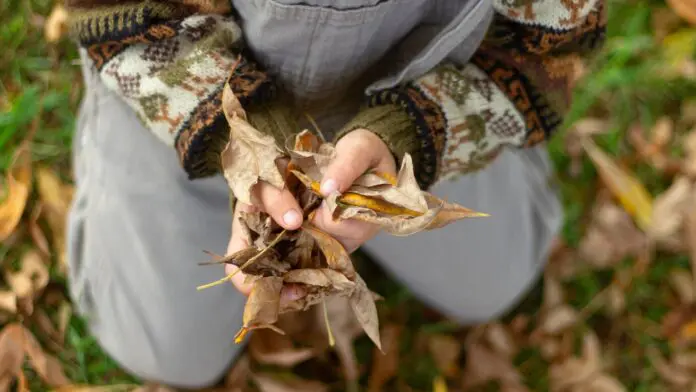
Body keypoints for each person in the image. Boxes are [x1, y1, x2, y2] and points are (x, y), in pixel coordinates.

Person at [64, 0, 605, 388]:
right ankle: (125, 144)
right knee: (169, 353)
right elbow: (116, 9)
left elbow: (549, 55)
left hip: (430, 94)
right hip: (187, 82)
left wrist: (412, 136)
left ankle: (490, 157)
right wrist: (240, 135)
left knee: (493, 285)